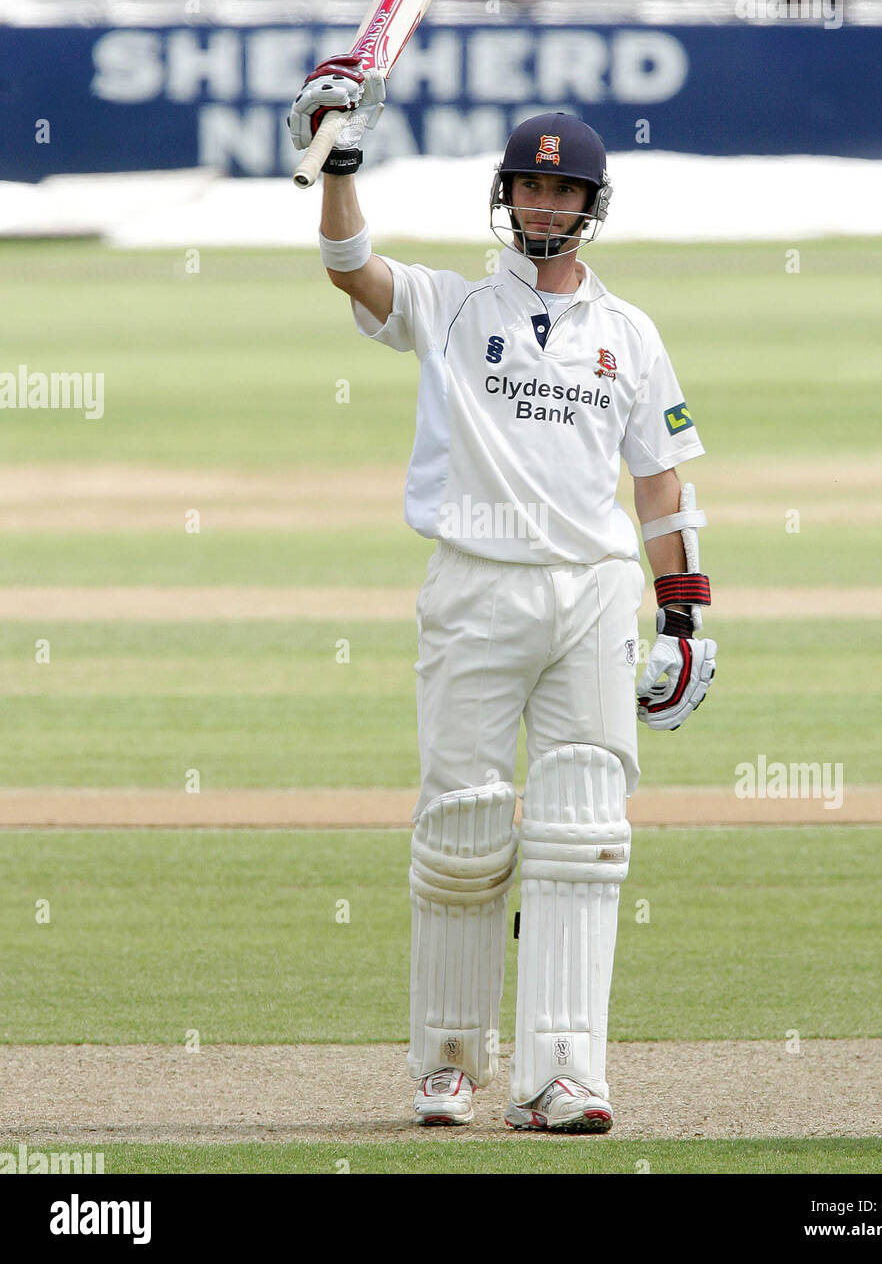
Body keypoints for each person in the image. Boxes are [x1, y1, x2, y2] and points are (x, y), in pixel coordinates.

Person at [287, 60, 717, 1132]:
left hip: (591, 596)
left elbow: (658, 483)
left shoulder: (633, 332)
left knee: (583, 832)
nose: (544, 203)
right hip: (473, 587)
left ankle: (562, 1076)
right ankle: (444, 1064)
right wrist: (340, 160)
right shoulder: (450, 303)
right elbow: (347, 262)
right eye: (529, 185)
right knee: (464, 827)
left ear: (589, 205)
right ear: (505, 194)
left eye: (562, 190)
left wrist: (682, 610)